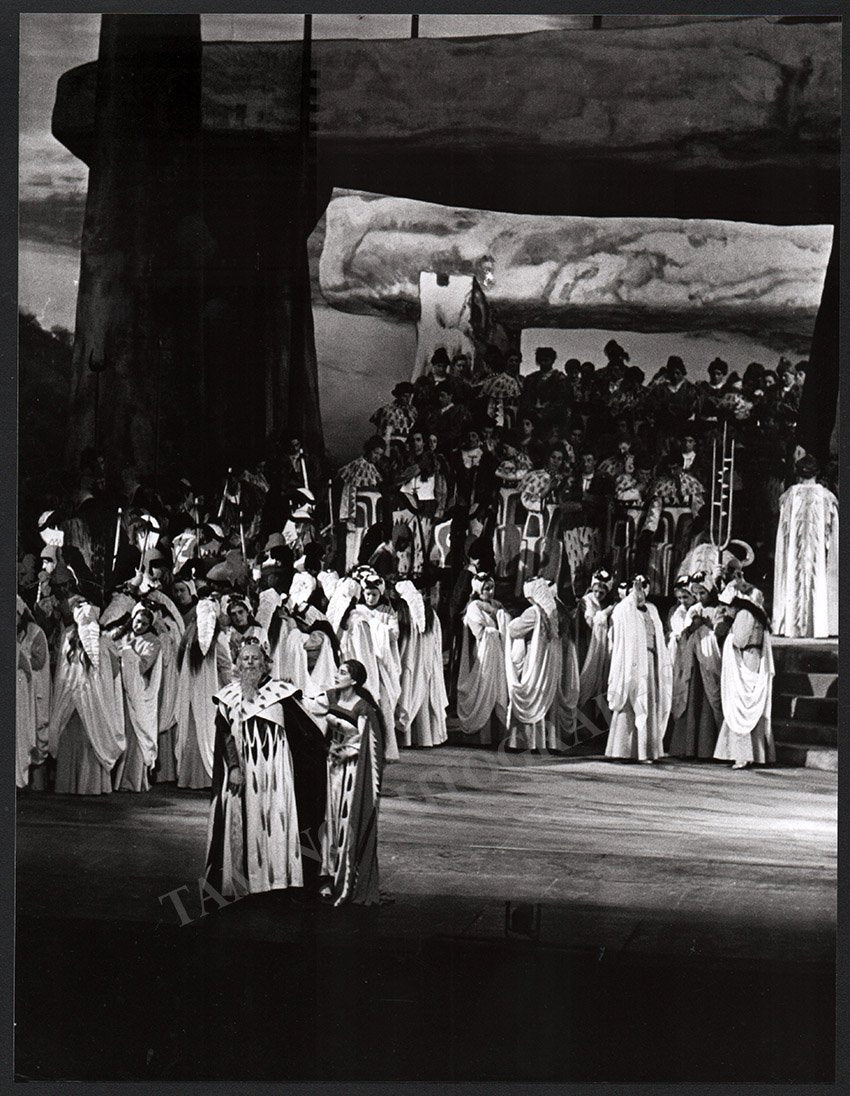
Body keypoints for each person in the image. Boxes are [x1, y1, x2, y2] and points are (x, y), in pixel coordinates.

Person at [204, 639, 305, 900]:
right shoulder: (227, 696)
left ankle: (276, 882)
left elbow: (305, 733)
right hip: (243, 770)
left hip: (276, 774)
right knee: (244, 824)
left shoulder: (282, 693)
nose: (250, 662)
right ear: (237, 664)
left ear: (265, 663)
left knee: (275, 822)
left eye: (255, 658)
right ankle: (245, 884)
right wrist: (233, 767)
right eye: (245, 658)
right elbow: (225, 735)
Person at [313, 660, 385, 906]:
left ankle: (345, 876)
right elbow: (309, 705)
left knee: (346, 819)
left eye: (342, 672)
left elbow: (368, 742)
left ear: (354, 680)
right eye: (338, 671)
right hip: (331, 766)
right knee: (329, 820)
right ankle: (327, 874)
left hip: (351, 770)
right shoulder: (331, 697)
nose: (336, 675)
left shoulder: (363, 708)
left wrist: (346, 752)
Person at [48, 595, 126, 794]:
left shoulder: (99, 641)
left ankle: (80, 784)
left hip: (87, 697)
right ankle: (80, 784)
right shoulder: (72, 638)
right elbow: (64, 670)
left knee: (89, 737)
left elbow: (112, 671)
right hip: (75, 698)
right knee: (81, 737)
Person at [605, 576, 672, 762]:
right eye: (637, 589)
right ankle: (623, 750)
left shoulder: (652, 609)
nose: (641, 593)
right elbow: (620, 620)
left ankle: (646, 751)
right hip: (632, 661)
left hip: (650, 659)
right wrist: (632, 597)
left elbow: (658, 636)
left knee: (648, 702)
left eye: (644, 589)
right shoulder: (625, 609)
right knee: (630, 699)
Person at [772, 455, 839, 638]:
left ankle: (791, 624)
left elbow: (784, 531)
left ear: (798, 474)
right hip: (818, 553)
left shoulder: (789, 496)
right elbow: (833, 534)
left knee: (793, 575)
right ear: (817, 473)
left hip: (794, 552)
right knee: (820, 575)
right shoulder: (827, 497)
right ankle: (819, 625)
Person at [714, 583, 775, 770]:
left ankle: (743, 755)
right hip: (752, 657)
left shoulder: (744, 615)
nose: (726, 611)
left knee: (742, 704)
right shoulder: (756, 614)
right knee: (747, 704)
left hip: (747, 658)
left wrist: (728, 634)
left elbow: (739, 640)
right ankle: (752, 753)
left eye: (727, 607)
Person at [174, 593, 233, 789]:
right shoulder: (217, 639)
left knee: (194, 731)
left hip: (192, 694)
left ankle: (190, 778)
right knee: (207, 731)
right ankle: (205, 777)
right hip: (210, 694)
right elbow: (225, 667)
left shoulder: (189, 638)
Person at [666, 578, 723, 759]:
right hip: (695, 663)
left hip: (709, 662)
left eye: (702, 593)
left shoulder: (718, 609)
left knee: (708, 704)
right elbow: (685, 634)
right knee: (691, 702)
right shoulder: (694, 609)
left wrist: (708, 628)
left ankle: (708, 748)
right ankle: (689, 747)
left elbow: (721, 634)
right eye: (696, 593)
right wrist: (691, 629)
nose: (699, 597)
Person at [505, 578, 562, 751]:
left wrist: (509, 620)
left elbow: (514, 629)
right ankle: (545, 741)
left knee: (530, 691)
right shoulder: (553, 612)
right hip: (549, 659)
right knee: (544, 694)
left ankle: (521, 741)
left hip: (535, 657)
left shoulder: (533, 612)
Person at [113, 601, 163, 791]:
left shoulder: (153, 642)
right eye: (137, 621)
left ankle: (131, 779)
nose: (139, 626)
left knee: (135, 733)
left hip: (137, 690)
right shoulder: (122, 635)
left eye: (144, 623)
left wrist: (126, 655)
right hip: (120, 688)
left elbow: (143, 666)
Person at [456, 573, 509, 745]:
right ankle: (481, 736)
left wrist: (499, 616)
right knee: (483, 687)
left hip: (497, 652)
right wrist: (494, 626)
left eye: (492, 588)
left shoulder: (497, 605)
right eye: (487, 589)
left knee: (497, 688)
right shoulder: (474, 607)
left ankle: (497, 734)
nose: (491, 592)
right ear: (479, 590)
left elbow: (507, 622)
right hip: (482, 652)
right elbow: (479, 631)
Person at [395, 581, 449, 749]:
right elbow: (437, 640)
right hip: (426, 661)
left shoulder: (403, 612)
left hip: (409, 660)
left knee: (409, 692)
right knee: (424, 696)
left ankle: (407, 738)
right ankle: (426, 737)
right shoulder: (430, 613)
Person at [16, 596, 50, 790]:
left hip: (34, 689)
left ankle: (35, 783)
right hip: (20, 690)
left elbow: (39, 662)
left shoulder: (35, 632)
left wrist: (20, 659)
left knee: (36, 730)